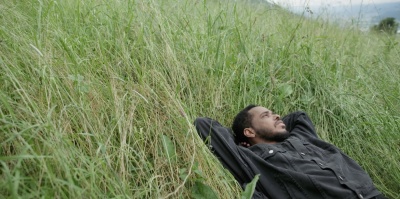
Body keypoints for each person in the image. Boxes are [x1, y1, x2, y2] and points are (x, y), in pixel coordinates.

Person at [194, 105, 386, 199]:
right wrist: (243, 142)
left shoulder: (301, 136)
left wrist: (275, 127)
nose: (276, 115)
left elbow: (298, 116)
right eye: (266, 115)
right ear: (249, 132)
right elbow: (204, 125)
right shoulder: (252, 158)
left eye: (274, 113)